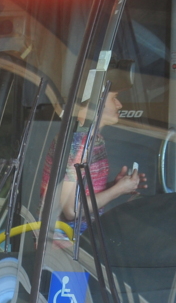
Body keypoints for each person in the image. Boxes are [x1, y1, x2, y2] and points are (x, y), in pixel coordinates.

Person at [43, 65, 146, 224]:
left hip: (80, 238)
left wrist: (114, 185)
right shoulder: (79, 142)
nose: (119, 105)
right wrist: (118, 190)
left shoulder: (91, 137)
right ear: (96, 102)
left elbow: (80, 192)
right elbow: (71, 210)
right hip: (65, 243)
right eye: (114, 98)